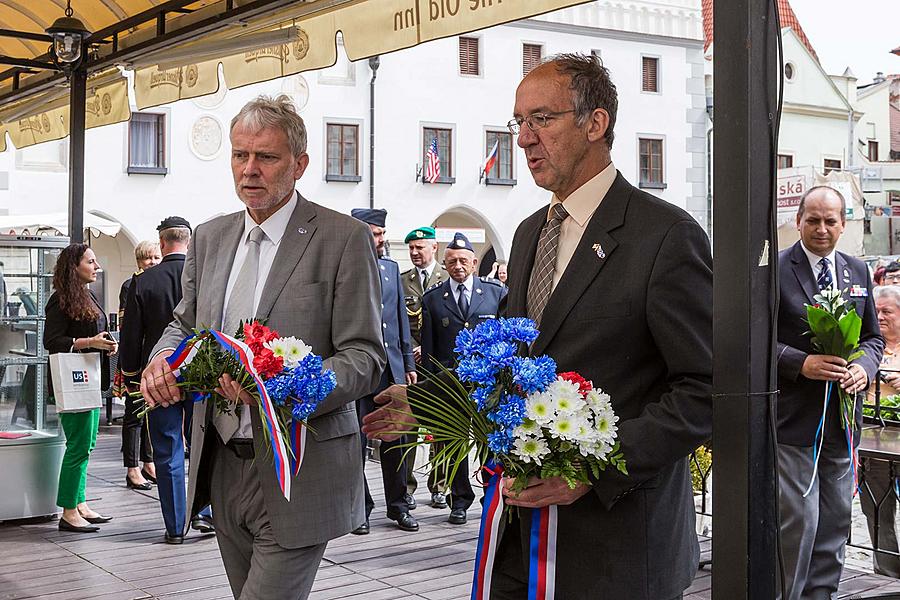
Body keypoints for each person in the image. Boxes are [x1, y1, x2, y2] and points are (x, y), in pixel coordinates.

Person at [364, 53, 713, 599]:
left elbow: (704, 390)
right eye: (518, 122)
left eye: (541, 120)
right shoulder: (529, 232)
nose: (523, 139)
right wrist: (431, 403)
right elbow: (509, 358)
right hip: (518, 536)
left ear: (595, 124)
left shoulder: (665, 236)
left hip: (617, 547)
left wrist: (592, 471)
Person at [140, 94, 385, 600]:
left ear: (299, 164)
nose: (249, 170)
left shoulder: (343, 238)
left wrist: (282, 390)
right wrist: (160, 362)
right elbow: (184, 325)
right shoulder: (209, 238)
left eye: (266, 157)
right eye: (239, 155)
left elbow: (364, 356)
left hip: (298, 464)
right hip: (221, 462)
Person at [776, 185, 883, 600]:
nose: (822, 228)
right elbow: (754, 339)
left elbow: (873, 339)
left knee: (837, 517)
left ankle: (822, 594)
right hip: (793, 420)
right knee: (799, 519)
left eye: (830, 220)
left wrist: (864, 369)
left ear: (843, 224)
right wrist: (799, 363)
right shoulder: (775, 269)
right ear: (798, 221)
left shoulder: (857, 271)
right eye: (814, 220)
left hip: (842, 419)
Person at [120, 217, 213, 544]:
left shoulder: (143, 282)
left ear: (161, 244)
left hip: (157, 375)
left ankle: (176, 526)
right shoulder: (203, 278)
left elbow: (131, 336)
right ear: (188, 242)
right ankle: (204, 513)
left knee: (167, 447)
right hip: (202, 372)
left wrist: (131, 376)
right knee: (202, 444)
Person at [420, 231, 507, 525]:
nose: (458, 265)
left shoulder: (496, 294)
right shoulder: (432, 300)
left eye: (463, 260)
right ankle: (459, 500)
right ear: (445, 264)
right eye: (452, 261)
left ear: (473, 263)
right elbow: (430, 352)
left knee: (488, 441)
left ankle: (489, 495)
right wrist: (430, 390)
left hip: (487, 384)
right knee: (453, 442)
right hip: (451, 385)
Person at [349, 208, 418, 534]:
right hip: (359, 370)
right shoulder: (345, 267)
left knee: (398, 442)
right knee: (356, 443)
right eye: (375, 233)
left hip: (390, 370)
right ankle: (360, 508)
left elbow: (401, 324)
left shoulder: (391, 269)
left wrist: (407, 367)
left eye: (382, 233)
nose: (381, 239)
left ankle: (399, 505)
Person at [44, 243, 118, 533]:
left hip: (88, 379)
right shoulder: (60, 299)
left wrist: (106, 345)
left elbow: (92, 332)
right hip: (74, 381)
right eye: (91, 261)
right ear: (74, 266)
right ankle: (68, 511)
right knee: (77, 446)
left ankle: (80, 502)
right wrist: (90, 343)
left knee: (86, 445)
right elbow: (52, 341)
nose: (96, 265)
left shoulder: (87, 295)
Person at [400, 226, 448, 508]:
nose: (415, 253)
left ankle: (439, 486)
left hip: (437, 366)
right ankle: (406, 487)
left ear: (434, 248)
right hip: (411, 368)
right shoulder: (401, 280)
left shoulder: (446, 277)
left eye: (420, 247)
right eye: (411, 248)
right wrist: (410, 349)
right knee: (409, 428)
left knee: (440, 430)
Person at [860, 285, 900, 577]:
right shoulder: (863, 348)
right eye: (876, 312)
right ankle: (888, 574)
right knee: (877, 512)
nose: (880, 317)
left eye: (887, 311)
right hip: (873, 445)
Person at [118, 240, 161, 491]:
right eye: (147, 258)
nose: (152, 262)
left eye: (156, 257)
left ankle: (149, 462)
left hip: (151, 358)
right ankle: (132, 468)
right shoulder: (130, 284)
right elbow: (129, 328)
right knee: (134, 415)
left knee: (150, 413)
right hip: (135, 358)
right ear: (138, 261)